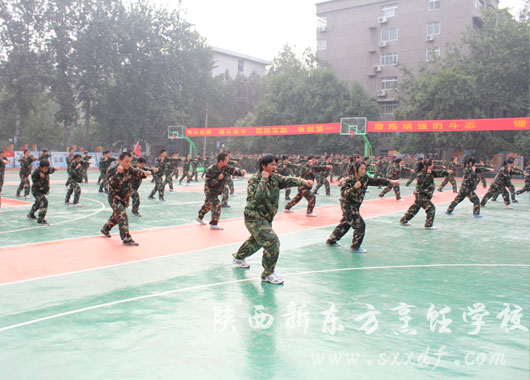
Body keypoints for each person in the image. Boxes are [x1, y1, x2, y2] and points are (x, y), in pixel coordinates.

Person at [232, 154, 313, 284]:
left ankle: (238, 257)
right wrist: (264, 180)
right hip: (253, 217)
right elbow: (258, 196)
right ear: (263, 166)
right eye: (272, 165)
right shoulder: (254, 180)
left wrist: (303, 181)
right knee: (272, 241)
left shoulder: (275, 178)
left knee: (257, 240)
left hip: (266, 218)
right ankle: (268, 274)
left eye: (276, 164)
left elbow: (288, 179)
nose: (275, 167)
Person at [326, 160, 398, 253]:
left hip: (356, 206)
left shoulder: (365, 179)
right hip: (348, 206)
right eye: (362, 169)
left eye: (365, 169)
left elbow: (376, 181)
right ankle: (355, 247)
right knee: (360, 225)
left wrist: (390, 181)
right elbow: (343, 194)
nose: (364, 171)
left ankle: (331, 240)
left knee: (346, 223)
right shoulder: (348, 180)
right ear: (356, 169)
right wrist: (354, 187)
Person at [101, 152, 151, 246]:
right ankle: (126, 238)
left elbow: (137, 172)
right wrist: (118, 173)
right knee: (122, 214)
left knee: (116, 217)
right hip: (114, 198)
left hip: (124, 198)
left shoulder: (130, 169)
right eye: (126, 161)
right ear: (120, 161)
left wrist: (144, 173)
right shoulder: (112, 170)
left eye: (130, 162)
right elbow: (110, 183)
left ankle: (105, 229)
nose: (128, 164)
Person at [196, 152, 246, 230]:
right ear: (221, 161)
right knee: (216, 204)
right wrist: (218, 178)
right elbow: (208, 182)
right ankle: (214, 224)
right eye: (226, 160)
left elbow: (233, 170)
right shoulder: (211, 169)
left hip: (218, 189)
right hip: (209, 190)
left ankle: (199, 217)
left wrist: (241, 172)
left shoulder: (225, 167)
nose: (227, 162)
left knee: (208, 205)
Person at [399, 159, 451, 230]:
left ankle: (404, 220)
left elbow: (438, 173)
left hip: (424, 195)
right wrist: (428, 174)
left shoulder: (429, 172)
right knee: (430, 208)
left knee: (414, 208)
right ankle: (428, 225)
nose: (432, 166)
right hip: (421, 194)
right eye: (431, 164)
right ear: (426, 166)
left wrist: (447, 172)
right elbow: (424, 183)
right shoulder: (421, 174)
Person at [27, 159, 56, 225]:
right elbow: (36, 180)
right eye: (45, 168)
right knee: (44, 202)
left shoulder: (47, 170)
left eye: (47, 168)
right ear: (40, 167)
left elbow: (51, 170)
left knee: (37, 203)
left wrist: (54, 169)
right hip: (36, 191)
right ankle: (40, 219)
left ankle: (31, 214)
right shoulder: (35, 173)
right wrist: (40, 176)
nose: (46, 170)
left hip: (42, 190)